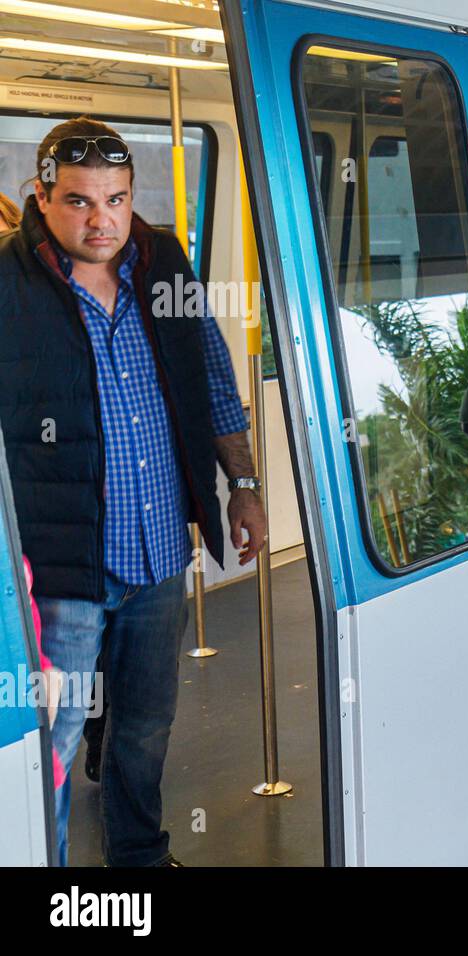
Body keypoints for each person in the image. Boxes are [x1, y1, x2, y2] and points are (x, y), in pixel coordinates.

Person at [0, 116, 269, 866]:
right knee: (53, 737)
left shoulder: (164, 266)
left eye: (116, 199)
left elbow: (214, 380)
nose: (102, 220)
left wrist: (242, 486)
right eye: (81, 202)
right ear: (42, 197)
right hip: (60, 571)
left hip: (157, 554)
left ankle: (138, 858)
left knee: (146, 722)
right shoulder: (7, 286)